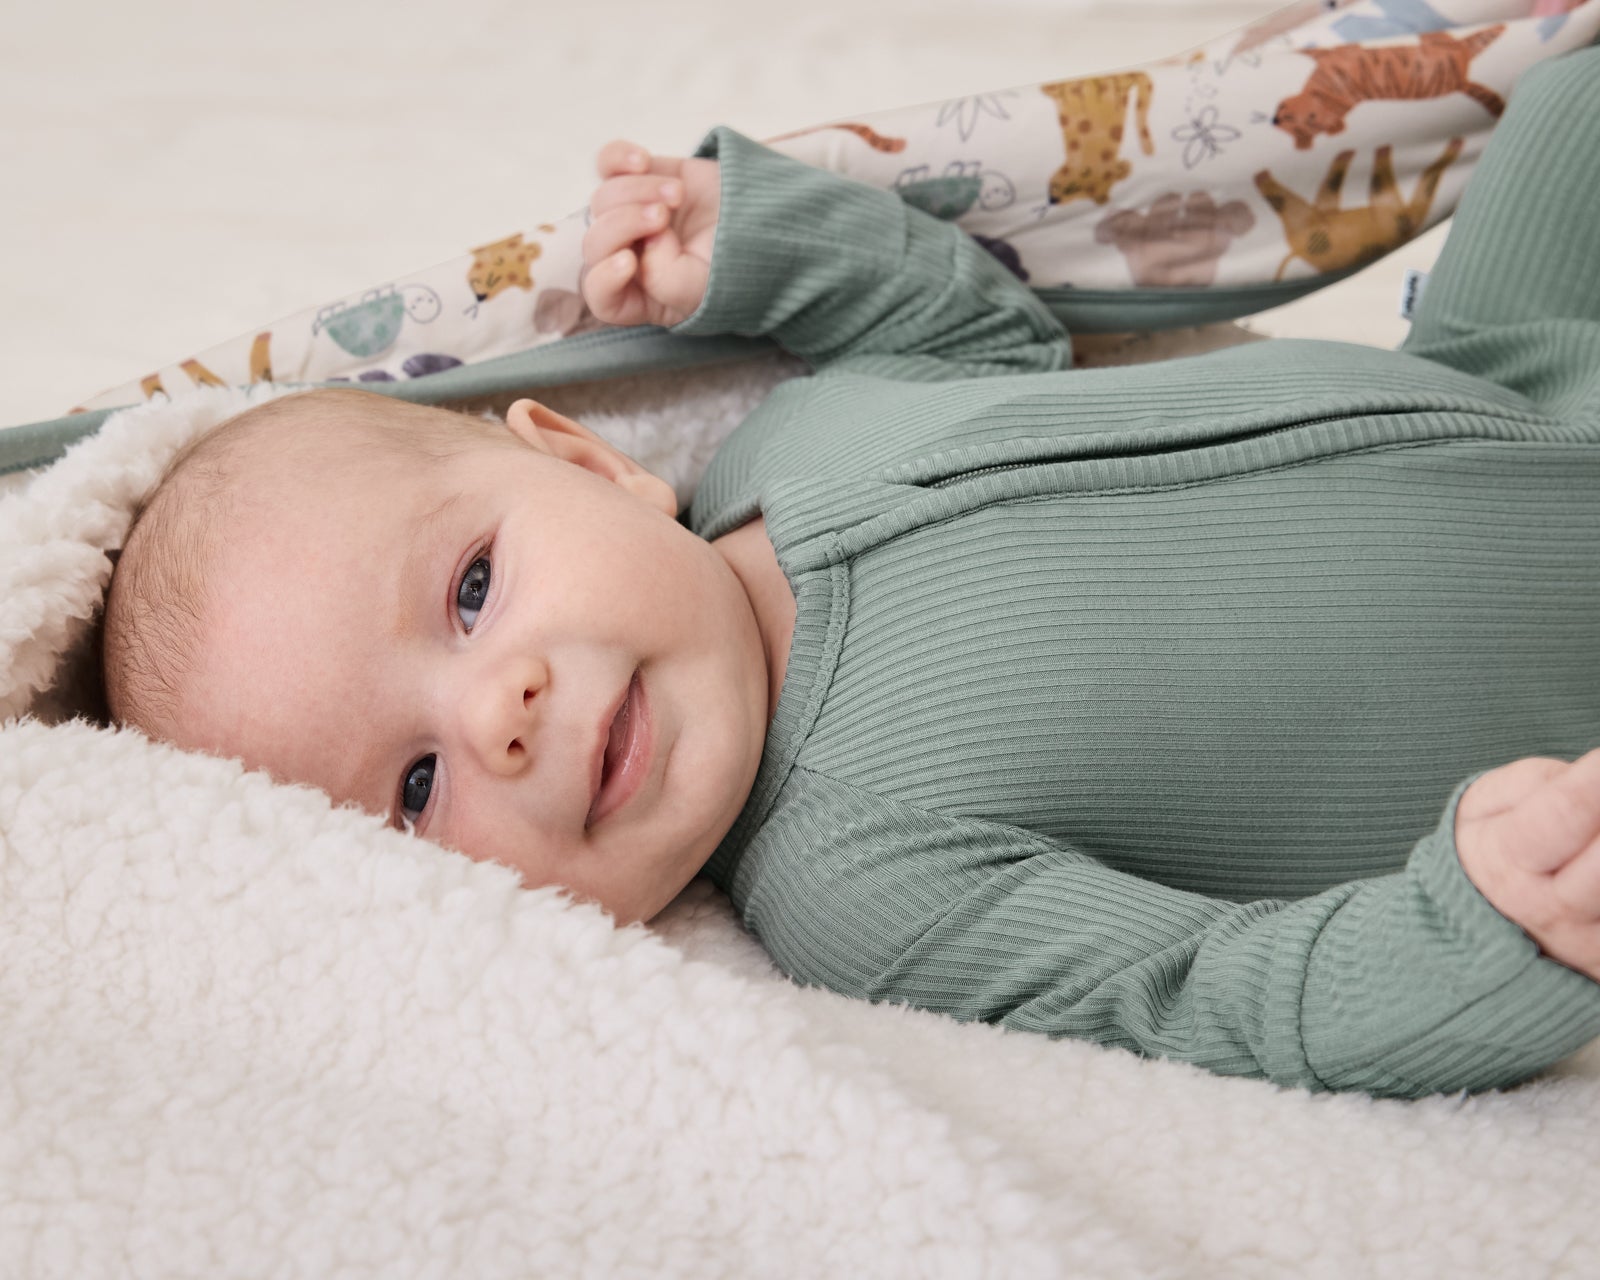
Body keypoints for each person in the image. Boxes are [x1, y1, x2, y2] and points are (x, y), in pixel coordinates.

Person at [103, 43, 1600, 1098]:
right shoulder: (859, 889)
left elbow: (989, 339)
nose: (501, 714)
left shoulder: (791, 438)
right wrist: (1472, 931)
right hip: (1565, 687)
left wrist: (751, 239)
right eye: (418, 792)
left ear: (585, 461)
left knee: (1562, 101)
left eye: (473, 592)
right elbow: (1195, 999)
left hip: (1502, 368)